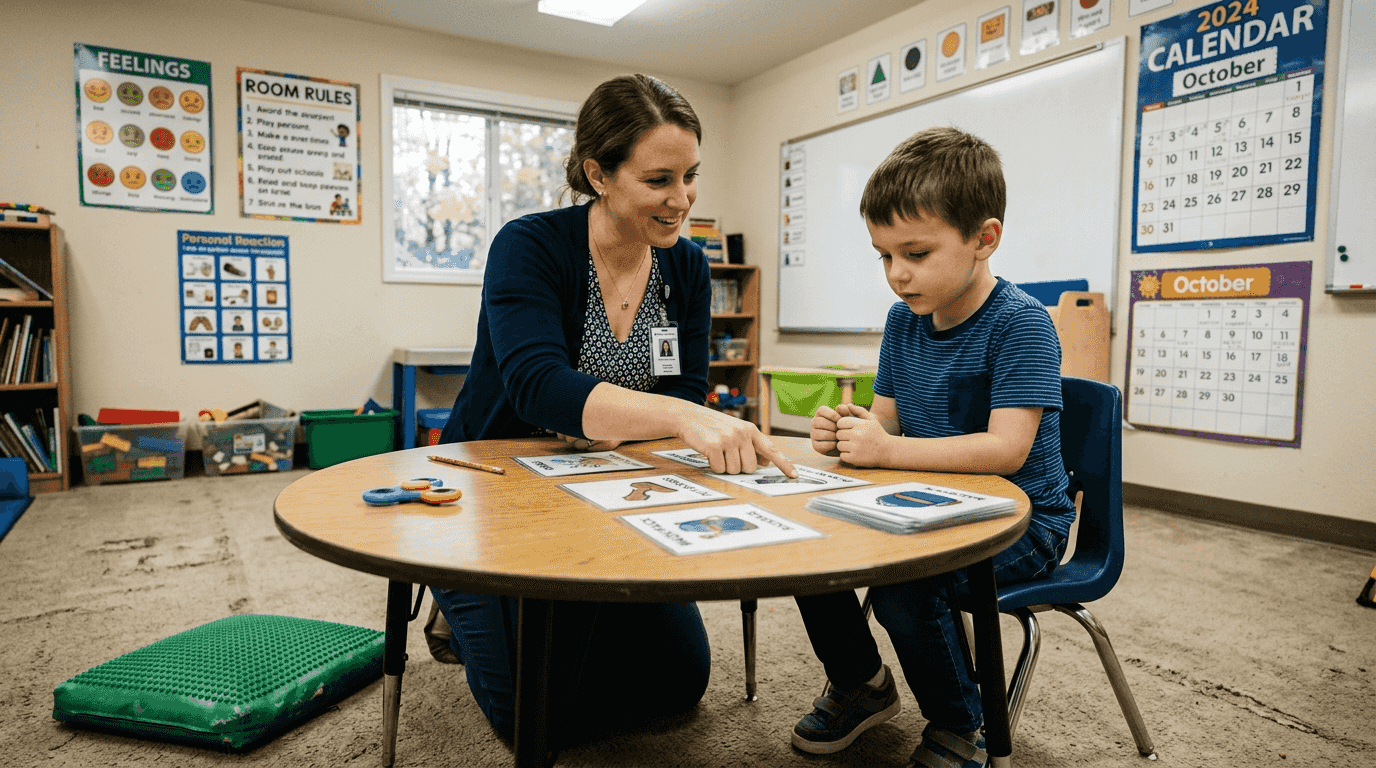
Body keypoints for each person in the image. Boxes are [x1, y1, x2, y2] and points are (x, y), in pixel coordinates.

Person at [431, 73, 795, 746]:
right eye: (659, 180)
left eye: (690, 176)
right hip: (498, 480)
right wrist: (684, 421)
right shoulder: (531, 245)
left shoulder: (684, 266)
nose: (682, 199)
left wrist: (680, 417)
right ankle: (454, 593)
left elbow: (683, 386)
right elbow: (537, 386)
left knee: (676, 684)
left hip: (611, 481)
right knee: (534, 717)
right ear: (598, 173)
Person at [788, 127, 1077, 768]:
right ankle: (863, 683)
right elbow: (886, 424)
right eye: (883, 255)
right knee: (803, 545)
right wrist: (850, 431)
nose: (896, 275)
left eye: (915, 253)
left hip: (1017, 521)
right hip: (923, 503)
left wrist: (886, 453)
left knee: (906, 589)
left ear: (984, 239)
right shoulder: (904, 320)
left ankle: (959, 722)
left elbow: (1006, 451)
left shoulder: (1023, 322)